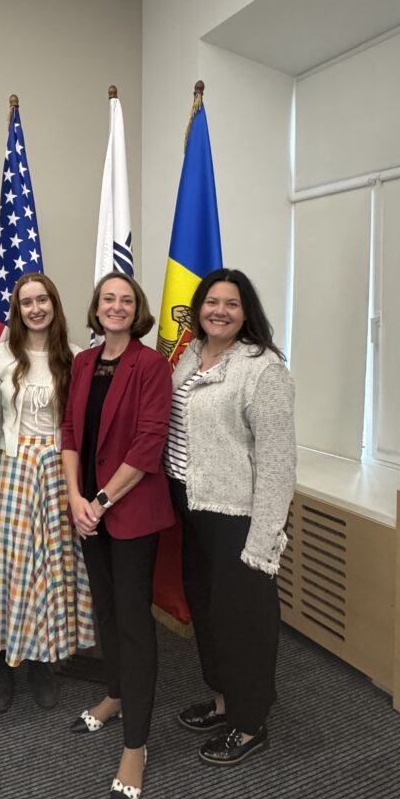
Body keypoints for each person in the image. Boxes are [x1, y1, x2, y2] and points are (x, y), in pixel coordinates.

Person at [164, 268, 296, 766]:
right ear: (198, 307)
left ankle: (249, 722)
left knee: (245, 623)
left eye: (231, 304)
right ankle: (224, 701)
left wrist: (264, 538)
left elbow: (279, 461)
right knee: (211, 614)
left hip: (239, 516)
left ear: (246, 313)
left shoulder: (262, 369)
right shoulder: (190, 356)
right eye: (211, 301)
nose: (219, 310)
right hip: (193, 510)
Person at [62, 271, 174, 799]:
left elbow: (150, 441)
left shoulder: (152, 365)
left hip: (129, 513)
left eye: (126, 300)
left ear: (138, 310)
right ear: (96, 306)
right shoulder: (82, 363)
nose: (116, 306)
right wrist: (74, 499)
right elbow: (69, 433)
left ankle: (137, 746)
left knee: (132, 621)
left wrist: (101, 501)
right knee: (105, 610)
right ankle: (115, 692)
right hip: (87, 510)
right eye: (107, 298)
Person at [0, 273, 94, 712]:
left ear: (54, 303)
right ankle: (2, 662)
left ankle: (44, 660)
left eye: (42, 299)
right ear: (17, 309)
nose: (35, 308)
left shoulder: (76, 357)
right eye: (26, 302)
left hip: (59, 465)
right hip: (13, 465)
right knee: (10, 564)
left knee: (54, 563)